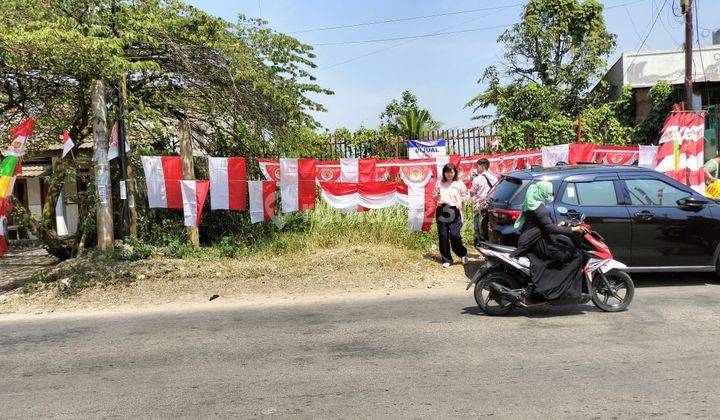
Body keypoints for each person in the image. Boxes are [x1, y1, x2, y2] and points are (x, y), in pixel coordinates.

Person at [509, 181, 587, 304]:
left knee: (565, 250)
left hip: (536, 239)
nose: (550, 195)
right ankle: (553, 290)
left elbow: (546, 226)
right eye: (549, 193)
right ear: (541, 192)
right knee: (574, 255)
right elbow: (550, 229)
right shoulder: (539, 208)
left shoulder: (534, 204)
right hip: (536, 242)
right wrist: (574, 229)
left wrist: (560, 224)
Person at [433, 163, 469, 268]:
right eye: (447, 172)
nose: (449, 174)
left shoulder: (459, 183)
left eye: (451, 171)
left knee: (455, 235)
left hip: (454, 210)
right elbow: (434, 195)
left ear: (455, 172)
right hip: (442, 209)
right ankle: (447, 259)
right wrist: (437, 196)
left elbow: (466, 195)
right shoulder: (439, 183)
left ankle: (463, 253)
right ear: (444, 173)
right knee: (443, 236)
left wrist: (461, 200)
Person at [469, 158, 498, 246]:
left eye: (477, 167)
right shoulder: (494, 178)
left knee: (478, 225)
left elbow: (472, 193)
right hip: (491, 206)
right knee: (489, 226)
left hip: (479, 206)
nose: (477, 169)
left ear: (481, 167)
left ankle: (480, 242)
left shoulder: (477, 179)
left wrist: (472, 180)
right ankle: (490, 243)